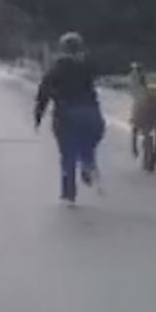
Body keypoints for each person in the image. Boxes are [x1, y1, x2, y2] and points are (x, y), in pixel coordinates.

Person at [34, 32, 105, 204]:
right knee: (92, 138)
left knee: (67, 153)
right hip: (90, 113)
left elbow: (43, 94)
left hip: (66, 115)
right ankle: (88, 161)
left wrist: (38, 116)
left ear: (62, 49)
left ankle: (69, 192)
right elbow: (98, 73)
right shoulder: (87, 65)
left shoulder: (56, 69)